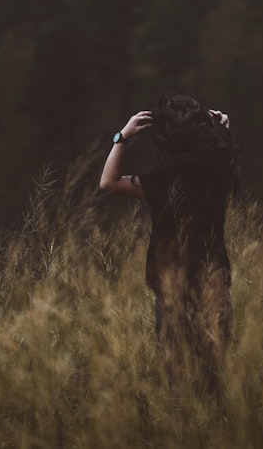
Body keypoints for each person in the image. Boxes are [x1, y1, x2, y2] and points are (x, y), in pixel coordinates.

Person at [99, 95, 238, 394]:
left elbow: (107, 183)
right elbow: (225, 156)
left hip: (172, 293)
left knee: (180, 386)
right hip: (216, 286)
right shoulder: (219, 177)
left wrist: (122, 138)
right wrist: (223, 130)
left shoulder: (160, 183)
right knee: (215, 381)